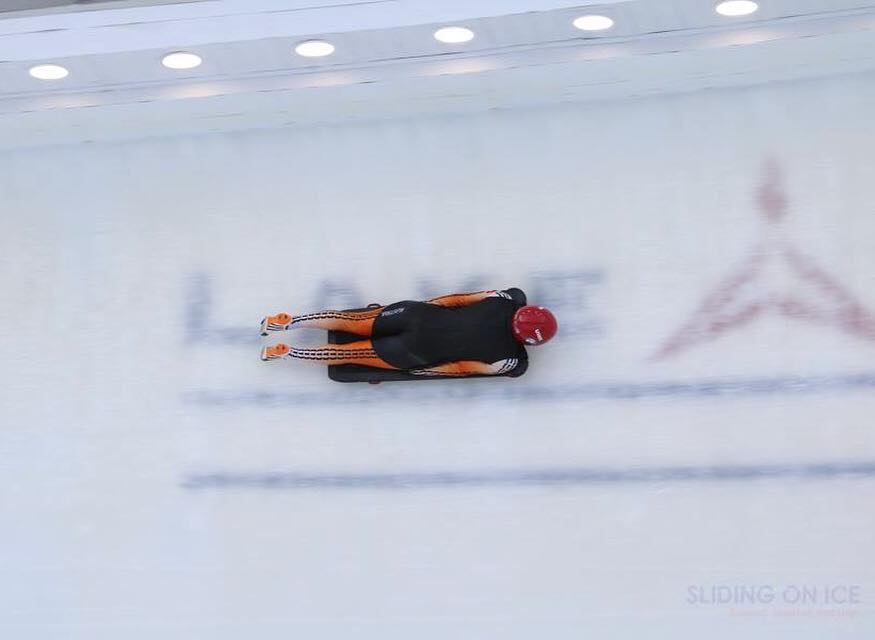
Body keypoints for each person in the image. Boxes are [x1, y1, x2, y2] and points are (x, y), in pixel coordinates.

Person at [259, 288, 557, 377]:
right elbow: (461, 368)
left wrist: (429, 307)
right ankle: (288, 352)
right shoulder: (506, 359)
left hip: (417, 315)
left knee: (350, 320)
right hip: (415, 352)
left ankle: (287, 321)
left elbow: (457, 300)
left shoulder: (502, 301)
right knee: (349, 353)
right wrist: (424, 372)